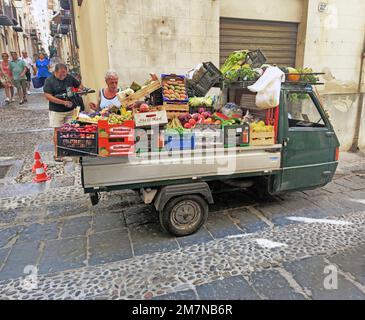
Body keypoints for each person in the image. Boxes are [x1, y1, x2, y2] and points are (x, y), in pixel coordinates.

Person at [43, 63, 84, 161]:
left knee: (72, 130)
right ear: (55, 72)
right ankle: (58, 153)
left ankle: (70, 150)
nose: (63, 76)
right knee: (58, 131)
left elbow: (80, 86)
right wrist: (63, 102)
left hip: (70, 110)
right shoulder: (49, 81)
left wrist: (79, 91)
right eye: (61, 74)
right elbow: (48, 96)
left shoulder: (69, 78)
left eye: (64, 74)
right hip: (56, 111)